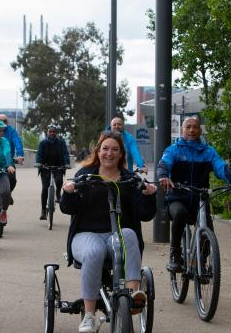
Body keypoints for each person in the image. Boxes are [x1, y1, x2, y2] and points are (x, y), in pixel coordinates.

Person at [60, 131, 157, 333]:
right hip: (86, 235)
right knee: (94, 251)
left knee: (129, 234)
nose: (109, 153)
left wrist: (148, 195)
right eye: (105, 149)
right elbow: (68, 208)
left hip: (117, 235)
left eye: (115, 149)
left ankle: (131, 296)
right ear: (98, 151)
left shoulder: (131, 180)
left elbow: (145, 214)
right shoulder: (84, 175)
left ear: (121, 154)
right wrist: (68, 191)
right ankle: (89, 315)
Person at [156, 116, 231, 272]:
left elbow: (221, 167)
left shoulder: (208, 152)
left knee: (208, 231)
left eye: (195, 127)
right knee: (180, 214)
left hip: (200, 200)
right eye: (188, 127)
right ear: (182, 130)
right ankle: (175, 254)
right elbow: (164, 164)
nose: (192, 130)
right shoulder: (174, 150)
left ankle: (201, 262)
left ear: (200, 130)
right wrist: (163, 176)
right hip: (178, 197)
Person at [35, 124, 70, 220]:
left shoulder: (61, 143)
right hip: (45, 167)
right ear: (47, 132)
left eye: (54, 131)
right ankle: (43, 211)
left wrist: (66, 163)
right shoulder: (43, 143)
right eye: (50, 131)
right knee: (45, 188)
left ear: (56, 133)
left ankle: (58, 192)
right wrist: (38, 162)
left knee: (59, 181)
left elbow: (65, 153)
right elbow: (39, 154)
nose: (52, 133)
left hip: (58, 166)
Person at [0, 114, 24, 203]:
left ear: (7, 122)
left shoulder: (12, 131)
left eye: (4, 121)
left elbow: (17, 142)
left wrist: (20, 155)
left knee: (12, 179)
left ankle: (8, 193)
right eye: (0, 121)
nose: (2, 123)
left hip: (8, 160)